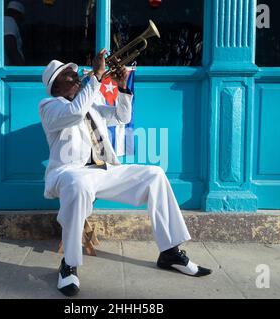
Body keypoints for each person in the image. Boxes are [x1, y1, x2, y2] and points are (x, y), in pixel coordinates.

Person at [39, 49, 212, 297]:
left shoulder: (91, 102)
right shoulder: (49, 106)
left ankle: (170, 252)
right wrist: (97, 76)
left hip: (103, 170)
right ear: (55, 85)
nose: (77, 77)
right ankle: (69, 264)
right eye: (69, 75)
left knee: (155, 174)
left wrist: (122, 89)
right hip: (69, 173)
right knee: (78, 183)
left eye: (77, 74)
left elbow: (122, 117)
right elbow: (74, 112)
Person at [4, 1, 25, 66]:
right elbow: (10, 45)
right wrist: (21, 69)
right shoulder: (9, 21)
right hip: (8, 73)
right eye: (21, 19)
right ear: (17, 15)